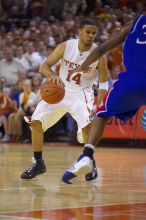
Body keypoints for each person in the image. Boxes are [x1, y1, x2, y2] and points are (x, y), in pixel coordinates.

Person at [20, 18, 109, 181]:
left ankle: (90, 162)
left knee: (86, 129)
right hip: (60, 90)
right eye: (88, 32)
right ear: (80, 32)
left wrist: (100, 103)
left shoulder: (99, 54)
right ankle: (38, 163)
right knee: (36, 122)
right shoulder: (66, 46)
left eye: (93, 33)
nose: (91, 36)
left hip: (82, 93)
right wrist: (54, 76)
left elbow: (103, 82)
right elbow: (44, 67)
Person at [62, 14, 146, 183]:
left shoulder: (135, 23)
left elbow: (100, 49)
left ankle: (87, 155)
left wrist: (81, 68)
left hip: (133, 79)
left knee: (101, 114)